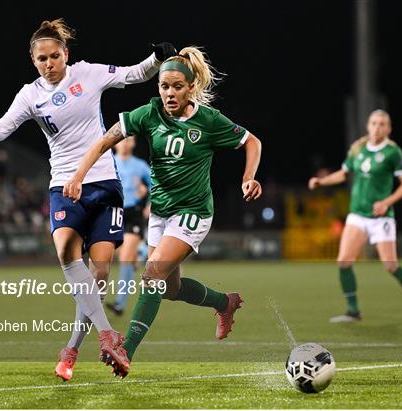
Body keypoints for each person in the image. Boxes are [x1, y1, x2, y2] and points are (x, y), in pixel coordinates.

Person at [0, 18, 176, 380]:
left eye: (55, 56)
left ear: (66, 55)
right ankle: (106, 335)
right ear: (33, 61)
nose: (49, 63)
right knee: (65, 253)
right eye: (42, 59)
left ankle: (71, 348)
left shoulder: (87, 74)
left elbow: (134, 74)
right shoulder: (30, 95)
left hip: (104, 183)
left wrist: (155, 58)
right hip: (64, 186)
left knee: (99, 273)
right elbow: (0, 130)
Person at [63, 46, 263, 378]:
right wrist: (77, 176)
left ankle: (126, 350)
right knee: (169, 289)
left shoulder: (209, 121)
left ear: (191, 87)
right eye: (163, 86)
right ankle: (224, 303)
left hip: (194, 212)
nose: (169, 93)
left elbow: (252, 142)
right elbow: (102, 142)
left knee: (152, 276)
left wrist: (248, 178)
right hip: (160, 214)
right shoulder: (148, 114)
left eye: (176, 87)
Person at [308, 109, 402, 324]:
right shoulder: (358, 149)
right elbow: (343, 174)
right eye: (373, 123)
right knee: (343, 261)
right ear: (368, 126)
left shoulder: (392, 152)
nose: (377, 127)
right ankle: (353, 311)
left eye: (381, 124)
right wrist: (321, 181)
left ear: (388, 128)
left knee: (391, 266)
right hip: (358, 215)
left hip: (382, 218)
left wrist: (386, 202)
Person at [106, 136, 151, 316]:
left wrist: (149, 204)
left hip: (133, 213)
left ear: (133, 143)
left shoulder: (139, 165)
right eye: (122, 139)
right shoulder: (108, 162)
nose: (125, 143)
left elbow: (155, 186)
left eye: (129, 139)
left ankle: (120, 304)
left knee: (124, 257)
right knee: (119, 255)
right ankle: (140, 254)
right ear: (115, 142)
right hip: (113, 213)